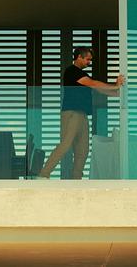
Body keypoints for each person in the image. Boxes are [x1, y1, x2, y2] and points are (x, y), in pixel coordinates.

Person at [38, 46, 125, 179]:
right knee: (65, 144)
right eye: (87, 59)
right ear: (79, 57)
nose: (89, 62)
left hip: (83, 115)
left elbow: (100, 89)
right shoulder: (72, 71)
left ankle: (76, 179)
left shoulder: (82, 74)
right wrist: (115, 85)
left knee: (82, 150)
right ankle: (44, 174)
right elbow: (93, 83)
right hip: (71, 113)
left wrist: (118, 92)